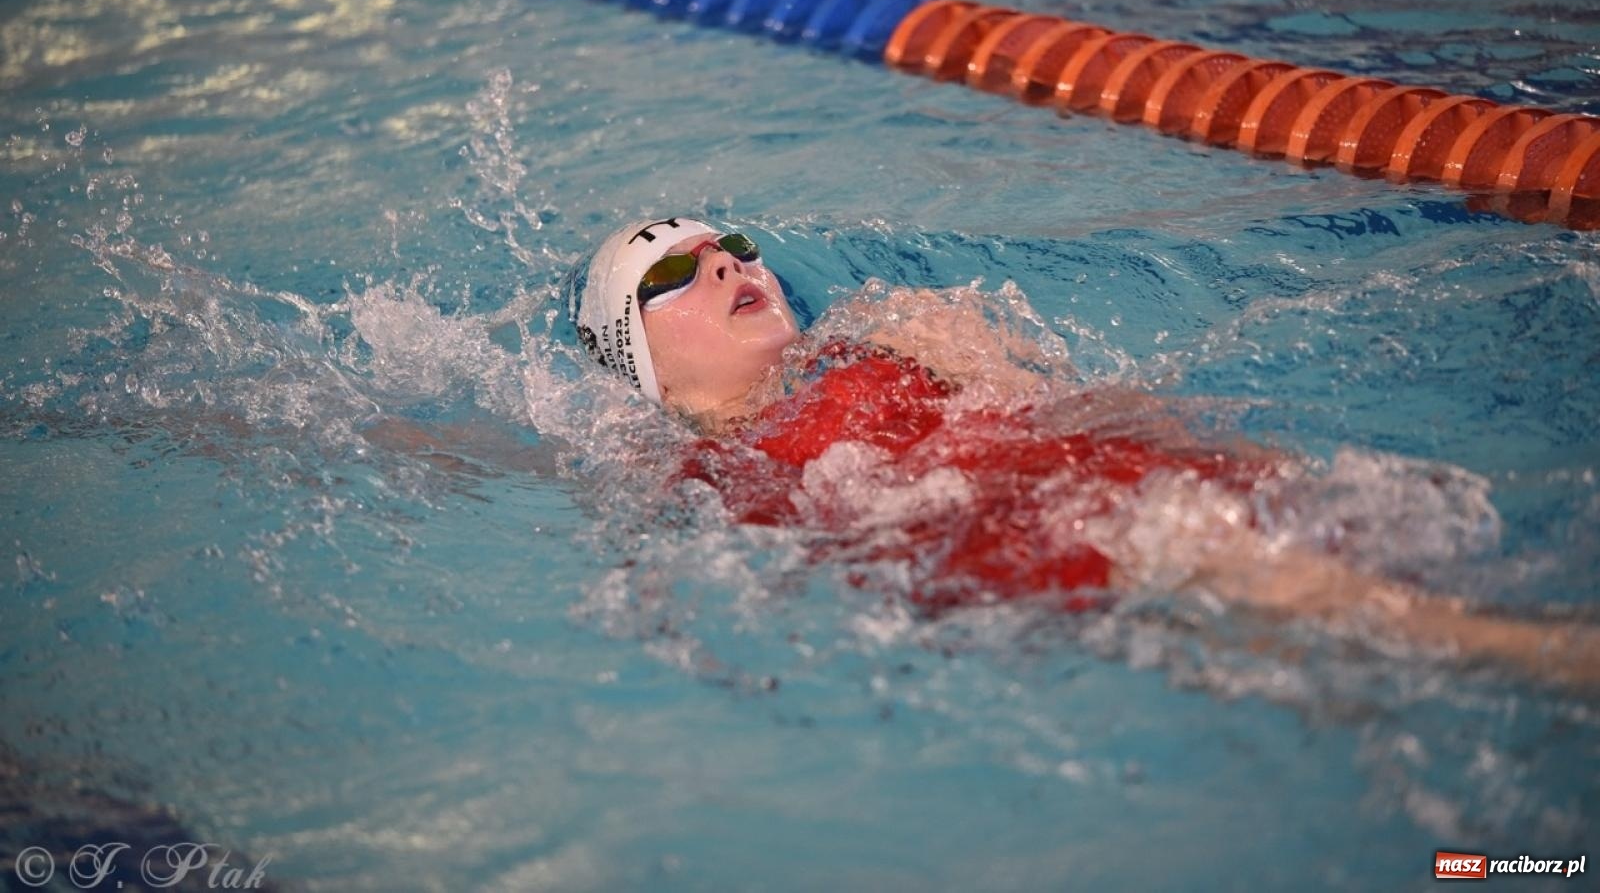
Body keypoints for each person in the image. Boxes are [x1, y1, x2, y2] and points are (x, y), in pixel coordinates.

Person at [566, 216, 1600, 689]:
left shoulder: (896, 326)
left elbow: (1073, 406)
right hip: (1031, 541)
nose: (725, 263)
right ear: (638, 360)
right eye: (671, 278)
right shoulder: (683, 469)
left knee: (1362, 578)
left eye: (733, 247)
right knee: (1399, 630)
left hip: (1112, 475)